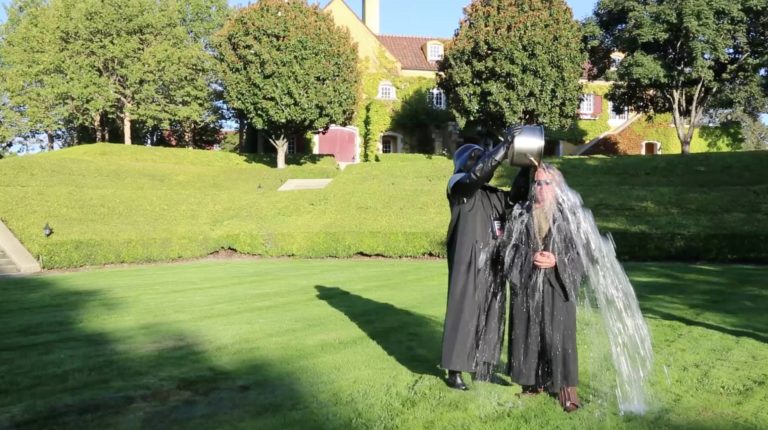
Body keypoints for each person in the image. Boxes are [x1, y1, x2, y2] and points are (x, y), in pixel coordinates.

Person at [441, 128, 531, 391]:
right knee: (464, 313)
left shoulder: (491, 195)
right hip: (467, 260)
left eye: (483, 155)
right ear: (462, 163)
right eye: (475, 155)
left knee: (493, 311)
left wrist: (526, 166)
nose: (482, 158)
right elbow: (478, 174)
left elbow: (516, 197)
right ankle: (455, 369)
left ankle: (484, 366)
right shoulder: (458, 186)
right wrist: (504, 146)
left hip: (493, 258)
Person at [504, 164, 584, 412]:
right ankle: (532, 383)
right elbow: (507, 248)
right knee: (528, 332)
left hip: (557, 285)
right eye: (537, 182)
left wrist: (557, 260)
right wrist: (529, 258)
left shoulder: (570, 214)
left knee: (559, 335)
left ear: (557, 186)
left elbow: (584, 252)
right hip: (528, 282)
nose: (541, 188)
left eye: (547, 183)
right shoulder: (520, 213)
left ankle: (566, 389)